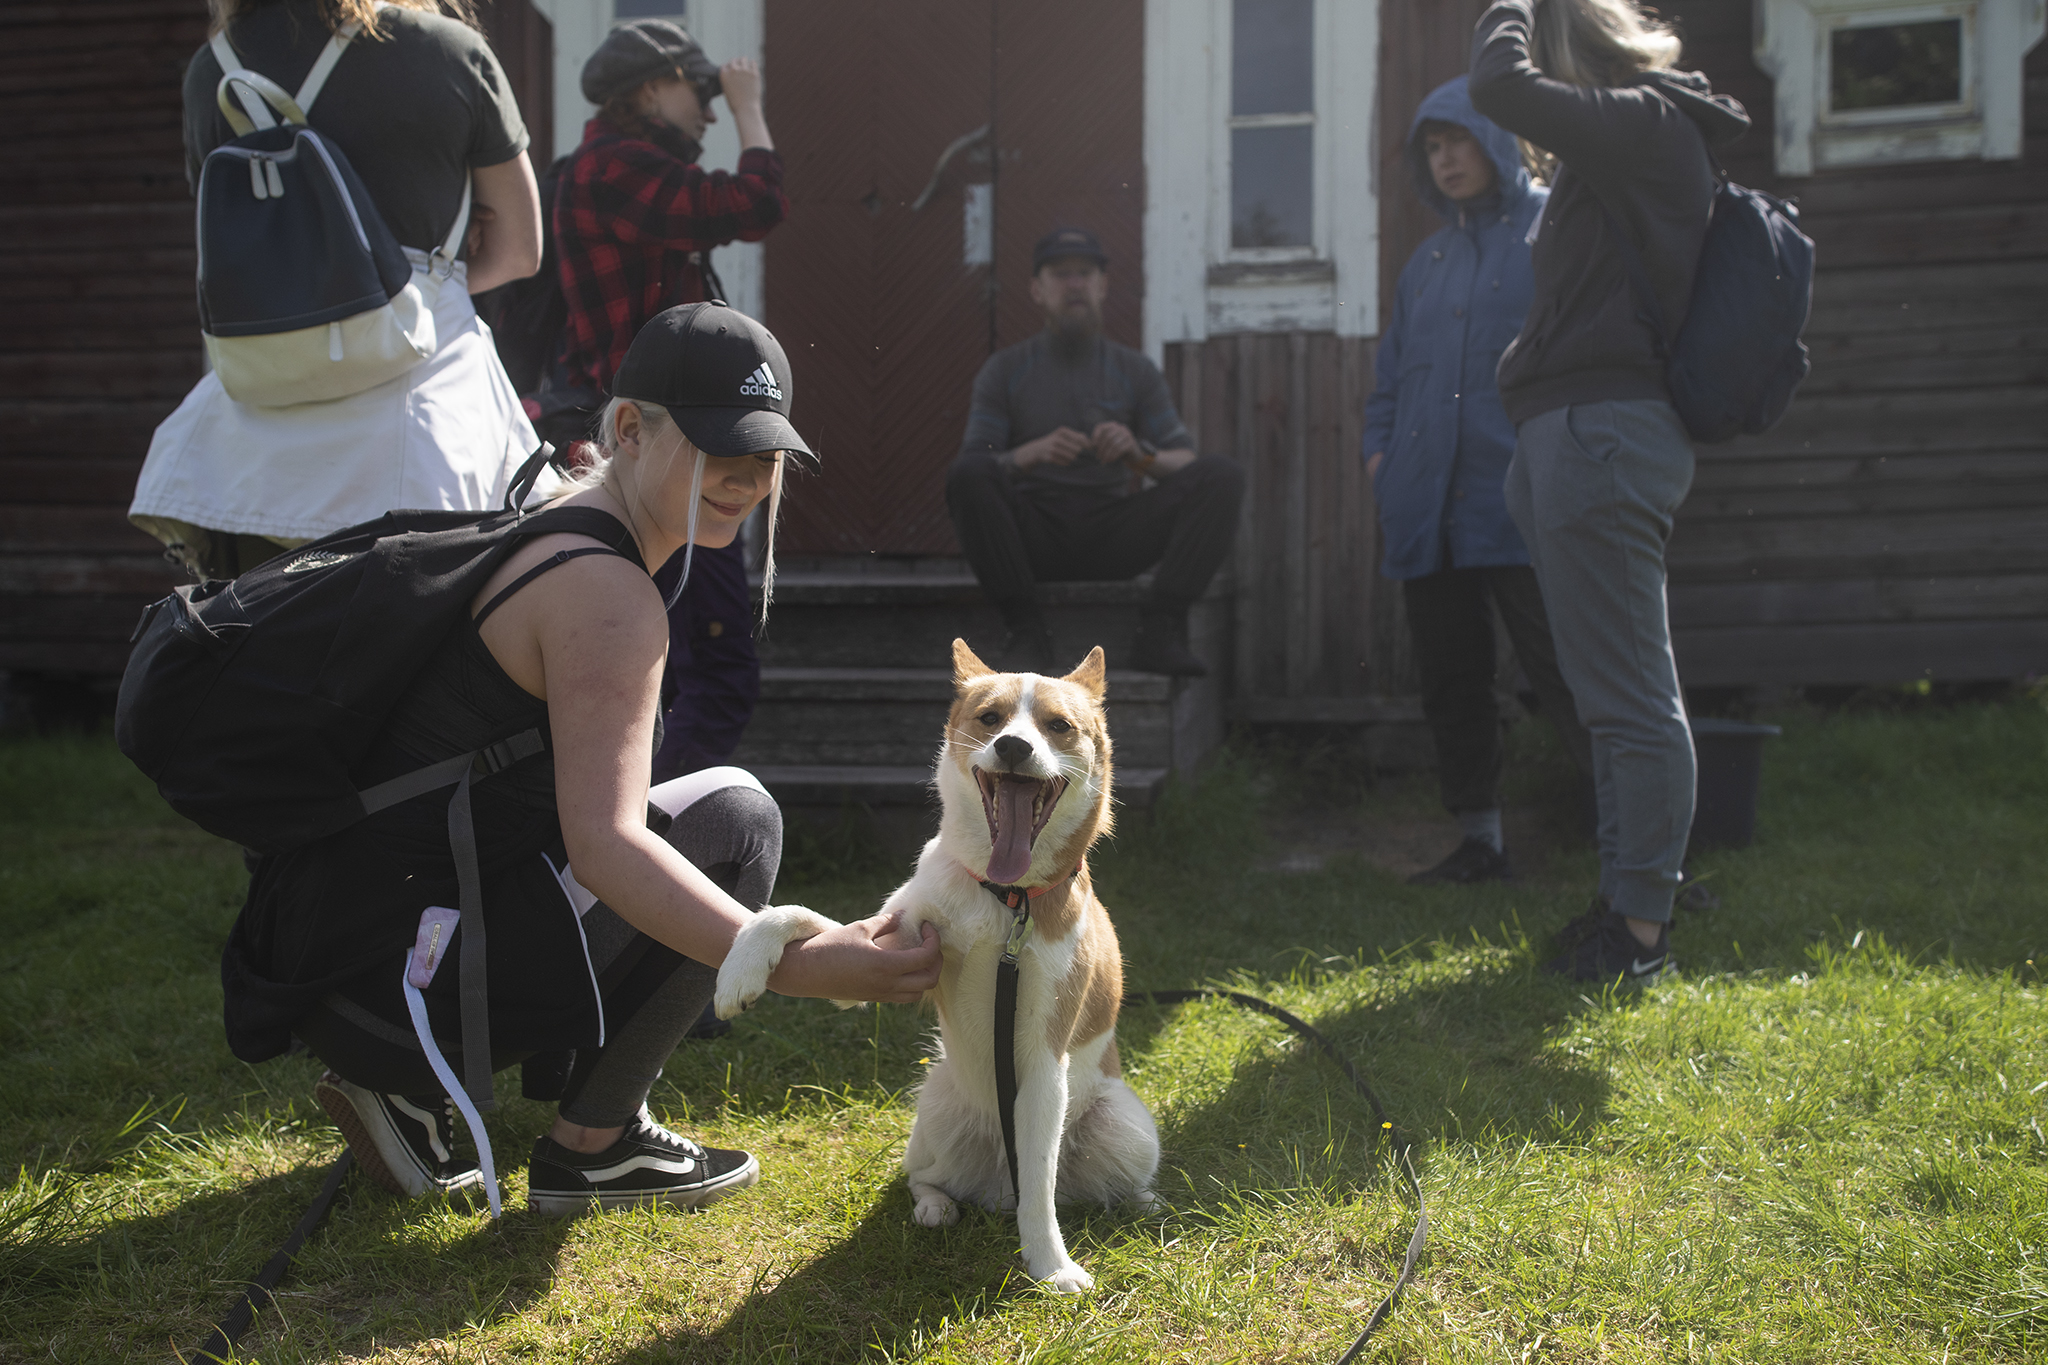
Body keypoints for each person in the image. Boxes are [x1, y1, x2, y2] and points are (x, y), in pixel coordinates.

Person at [220, 303, 942, 1214]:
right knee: (737, 817)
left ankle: (408, 1087)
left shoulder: (560, 521)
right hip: (394, 989)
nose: (746, 476)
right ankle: (593, 1146)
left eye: (766, 454)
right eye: (719, 444)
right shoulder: (605, 591)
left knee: (697, 813)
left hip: (353, 961)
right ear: (631, 429)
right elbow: (605, 848)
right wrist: (795, 962)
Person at [1468, 0, 1749, 979]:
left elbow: (1496, 83)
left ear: (1568, 56)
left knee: (1631, 697)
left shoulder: (1645, 121)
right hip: (1574, 430)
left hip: (1602, 433)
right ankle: (1621, 910)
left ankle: (1640, 936)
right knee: (1607, 697)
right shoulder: (1625, 146)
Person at [131, 0, 545, 582]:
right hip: (420, 415)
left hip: (250, 440)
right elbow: (520, 250)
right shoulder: (447, 50)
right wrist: (409, 281)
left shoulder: (213, 68)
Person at [544, 18, 790, 786]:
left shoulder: (615, 169)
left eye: (720, 97)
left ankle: (624, 832)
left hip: (657, 442)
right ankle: (641, 835)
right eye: (700, 90)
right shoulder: (614, 168)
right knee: (712, 677)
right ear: (651, 88)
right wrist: (750, 106)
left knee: (680, 673)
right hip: (661, 449)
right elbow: (755, 201)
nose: (711, 110)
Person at [1365, 77, 1594, 887]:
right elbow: (1389, 384)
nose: (1446, 159)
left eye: (1458, 139)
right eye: (1432, 147)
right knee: (1452, 679)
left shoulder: (1555, 227)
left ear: (1497, 139)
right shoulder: (1426, 263)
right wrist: (1382, 463)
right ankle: (1481, 840)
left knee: (1572, 670)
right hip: (1428, 511)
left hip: (1524, 503)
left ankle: (1633, 840)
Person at [947, 228, 1245, 677]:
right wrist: (1032, 453)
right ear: (1037, 289)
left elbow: (1186, 460)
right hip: (1034, 537)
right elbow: (975, 464)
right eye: (1060, 274)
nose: (1074, 284)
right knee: (967, 476)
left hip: (1114, 535)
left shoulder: (1134, 370)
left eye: (1084, 273)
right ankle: (1025, 632)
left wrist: (1139, 456)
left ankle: (1161, 629)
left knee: (1223, 475)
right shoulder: (1005, 370)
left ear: (1102, 286)